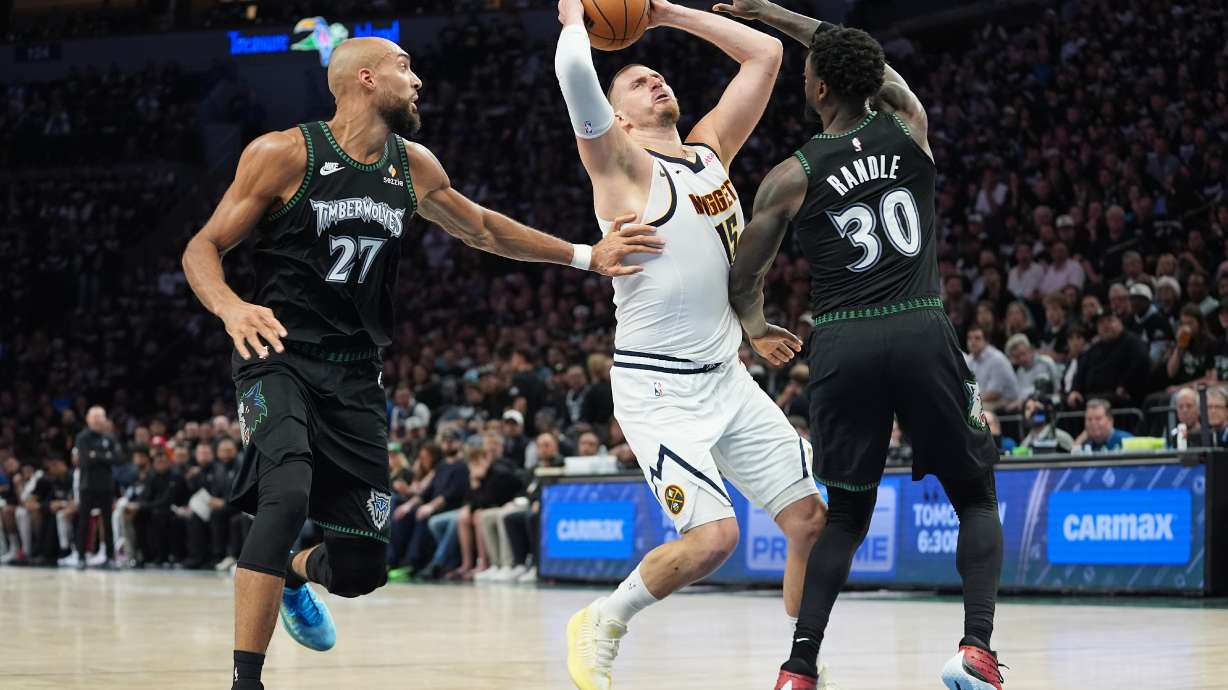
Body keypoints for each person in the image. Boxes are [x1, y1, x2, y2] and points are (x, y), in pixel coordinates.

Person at [180, 36, 661, 690]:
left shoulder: (413, 167)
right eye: (406, 69)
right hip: (280, 358)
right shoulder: (282, 153)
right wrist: (232, 308)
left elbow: (484, 228)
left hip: (356, 378)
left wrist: (585, 255)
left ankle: (295, 575)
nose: (419, 81)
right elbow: (202, 248)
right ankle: (246, 681)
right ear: (366, 79)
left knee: (360, 570)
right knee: (286, 491)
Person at [724, 2, 1006, 688]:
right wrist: (775, 14)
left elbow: (744, 276)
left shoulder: (791, 175)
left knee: (847, 514)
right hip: (918, 326)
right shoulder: (911, 126)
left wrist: (758, 327)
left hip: (844, 344)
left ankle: (799, 668)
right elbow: (867, 61)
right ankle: (975, 649)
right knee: (974, 496)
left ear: (817, 88)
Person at [554, 2, 828, 688]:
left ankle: (802, 665)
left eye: (658, 77)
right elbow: (572, 78)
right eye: (638, 84)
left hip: (727, 377)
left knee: (810, 521)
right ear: (617, 117)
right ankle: (604, 620)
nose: (656, 84)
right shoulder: (619, 165)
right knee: (715, 540)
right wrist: (573, 22)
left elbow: (765, 55)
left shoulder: (709, 151)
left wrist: (663, 13)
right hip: (659, 387)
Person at [71, 405, 122, 569]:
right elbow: (86, 459)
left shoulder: (110, 437)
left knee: (107, 522)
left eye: (101, 417)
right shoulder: (82, 437)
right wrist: (104, 456)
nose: (98, 420)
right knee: (83, 522)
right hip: (87, 485)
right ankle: (80, 556)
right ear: (88, 419)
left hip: (106, 486)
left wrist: (97, 455)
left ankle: (110, 556)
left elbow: (117, 459)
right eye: (95, 417)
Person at [966, 325, 1021, 411]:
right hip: (983, 399)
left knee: (974, 409)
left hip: (1006, 401)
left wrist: (970, 401)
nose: (972, 342)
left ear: (986, 341)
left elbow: (994, 394)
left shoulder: (997, 359)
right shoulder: (970, 361)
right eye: (969, 338)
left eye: (977, 338)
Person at [1005, 334, 1060, 409]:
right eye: (1017, 357)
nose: (1022, 359)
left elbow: (1041, 390)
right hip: (1026, 408)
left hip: (1049, 404)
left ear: (1030, 349)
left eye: (1023, 353)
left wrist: (1023, 401)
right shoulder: (1020, 372)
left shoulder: (1044, 363)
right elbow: (1019, 394)